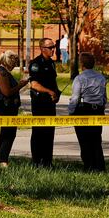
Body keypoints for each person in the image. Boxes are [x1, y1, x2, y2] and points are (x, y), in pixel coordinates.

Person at [68, 53, 107, 172]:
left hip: (84, 109)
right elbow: (104, 97)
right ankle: (99, 166)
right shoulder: (101, 77)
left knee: (84, 140)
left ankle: (88, 166)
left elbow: (75, 98)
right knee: (96, 139)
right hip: (98, 110)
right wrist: (101, 108)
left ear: (82, 64)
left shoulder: (80, 78)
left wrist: (71, 112)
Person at [29, 37, 61, 167]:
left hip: (50, 104)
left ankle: (48, 161)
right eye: (50, 47)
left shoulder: (51, 63)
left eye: (54, 47)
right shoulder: (36, 64)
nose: (53, 49)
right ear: (42, 49)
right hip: (39, 103)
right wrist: (49, 92)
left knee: (49, 132)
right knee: (39, 132)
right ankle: (37, 161)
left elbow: (53, 82)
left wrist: (56, 92)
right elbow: (34, 84)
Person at [0, 50, 30, 167]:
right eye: (14, 63)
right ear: (9, 62)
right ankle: (2, 160)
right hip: (5, 108)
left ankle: (3, 159)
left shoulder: (5, 72)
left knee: (10, 133)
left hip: (11, 108)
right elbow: (7, 92)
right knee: (7, 134)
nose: (14, 66)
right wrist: (20, 85)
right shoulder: (2, 73)